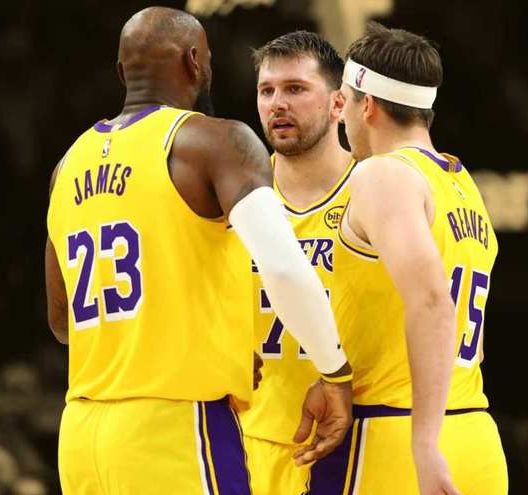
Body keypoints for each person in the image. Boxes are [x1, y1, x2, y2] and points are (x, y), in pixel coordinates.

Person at [44, 8, 353, 495]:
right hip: (172, 430)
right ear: (194, 62)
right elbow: (283, 268)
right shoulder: (214, 141)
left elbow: (62, 322)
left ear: (123, 73)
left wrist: (205, 342)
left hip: (82, 435)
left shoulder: (67, 165)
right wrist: (335, 372)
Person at [306, 23, 508, 494]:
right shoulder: (461, 183)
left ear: (367, 106)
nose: (342, 118)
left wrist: (424, 443)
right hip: (474, 433)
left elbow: (433, 302)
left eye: (345, 103)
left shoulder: (383, 175)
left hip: (396, 436)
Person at [238, 32, 356, 495]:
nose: (277, 104)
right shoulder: (234, 193)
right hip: (248, 440)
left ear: (338, 103)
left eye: (295, 88)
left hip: (348, 437)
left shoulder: (378, 190)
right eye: (266, 91)